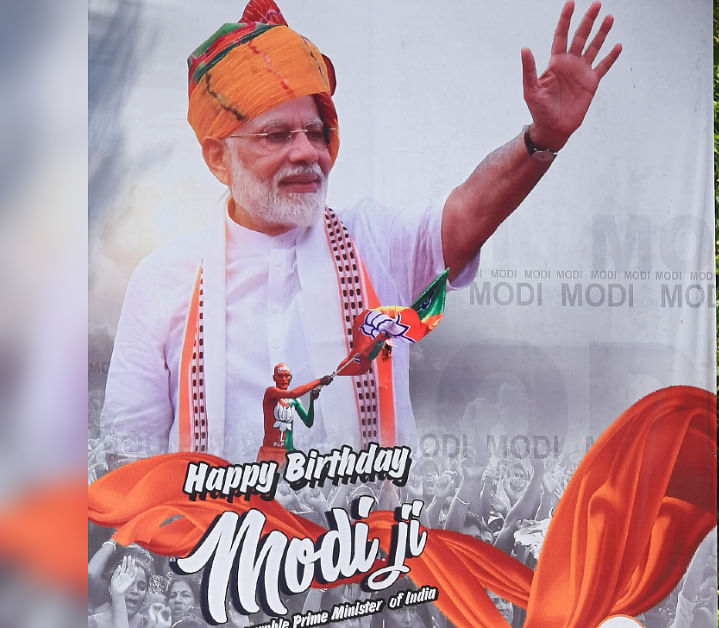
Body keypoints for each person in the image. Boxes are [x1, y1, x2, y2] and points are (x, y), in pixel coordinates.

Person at [100, 0, 622, 463]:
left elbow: (465, 217)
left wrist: (541, 140)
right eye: (277, 135)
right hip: (218, 563)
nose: (307, 152)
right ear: (218, 157)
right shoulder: (164, 280)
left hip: (363, 558)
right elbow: (131, 458)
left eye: (316, 131)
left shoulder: (371, 242)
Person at [258, 362, 331, 463]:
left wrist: (311, 401)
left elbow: (309, 422)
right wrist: (319, 381)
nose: (284, 379)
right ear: (274, 378)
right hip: (270, 452)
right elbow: (293, 393)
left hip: (288, 452)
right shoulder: (271, 392)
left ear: (290, 378)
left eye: (286, 376)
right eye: (280, 376)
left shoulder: (295, 401)